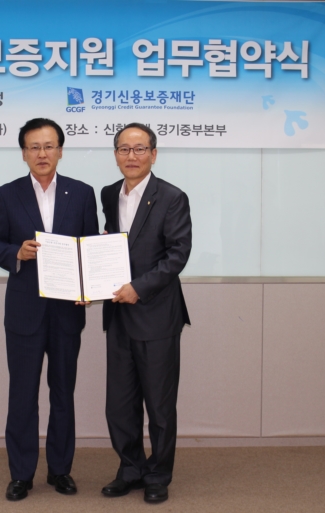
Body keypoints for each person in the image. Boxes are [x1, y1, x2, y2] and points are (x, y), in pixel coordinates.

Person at [0, 118, 99, 501]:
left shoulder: (82, 193)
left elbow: (89, 248)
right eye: (34, 147)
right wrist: (15, 252)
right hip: (24, 312)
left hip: (67, 312)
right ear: (24, 153)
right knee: (22, 395)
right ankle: (21, 474)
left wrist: (89, 287)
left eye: (49, 146)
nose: (42, 153)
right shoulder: (6, 194)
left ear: (60, 150)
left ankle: (61, 470)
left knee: (63, 392)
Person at [100, 123, 192, 503]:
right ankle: (130, 469)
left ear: (153, 154)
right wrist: (90, 281)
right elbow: (109, 245)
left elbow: (177, 255)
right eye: (124, 149)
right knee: (119, 405)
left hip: (156, 316)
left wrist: (138, 287)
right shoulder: (108, 194)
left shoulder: (172, 197)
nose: (132, 156)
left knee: (159, 406)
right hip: (118, 316)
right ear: (116, 155)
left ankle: (158, 474)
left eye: (140, 149)